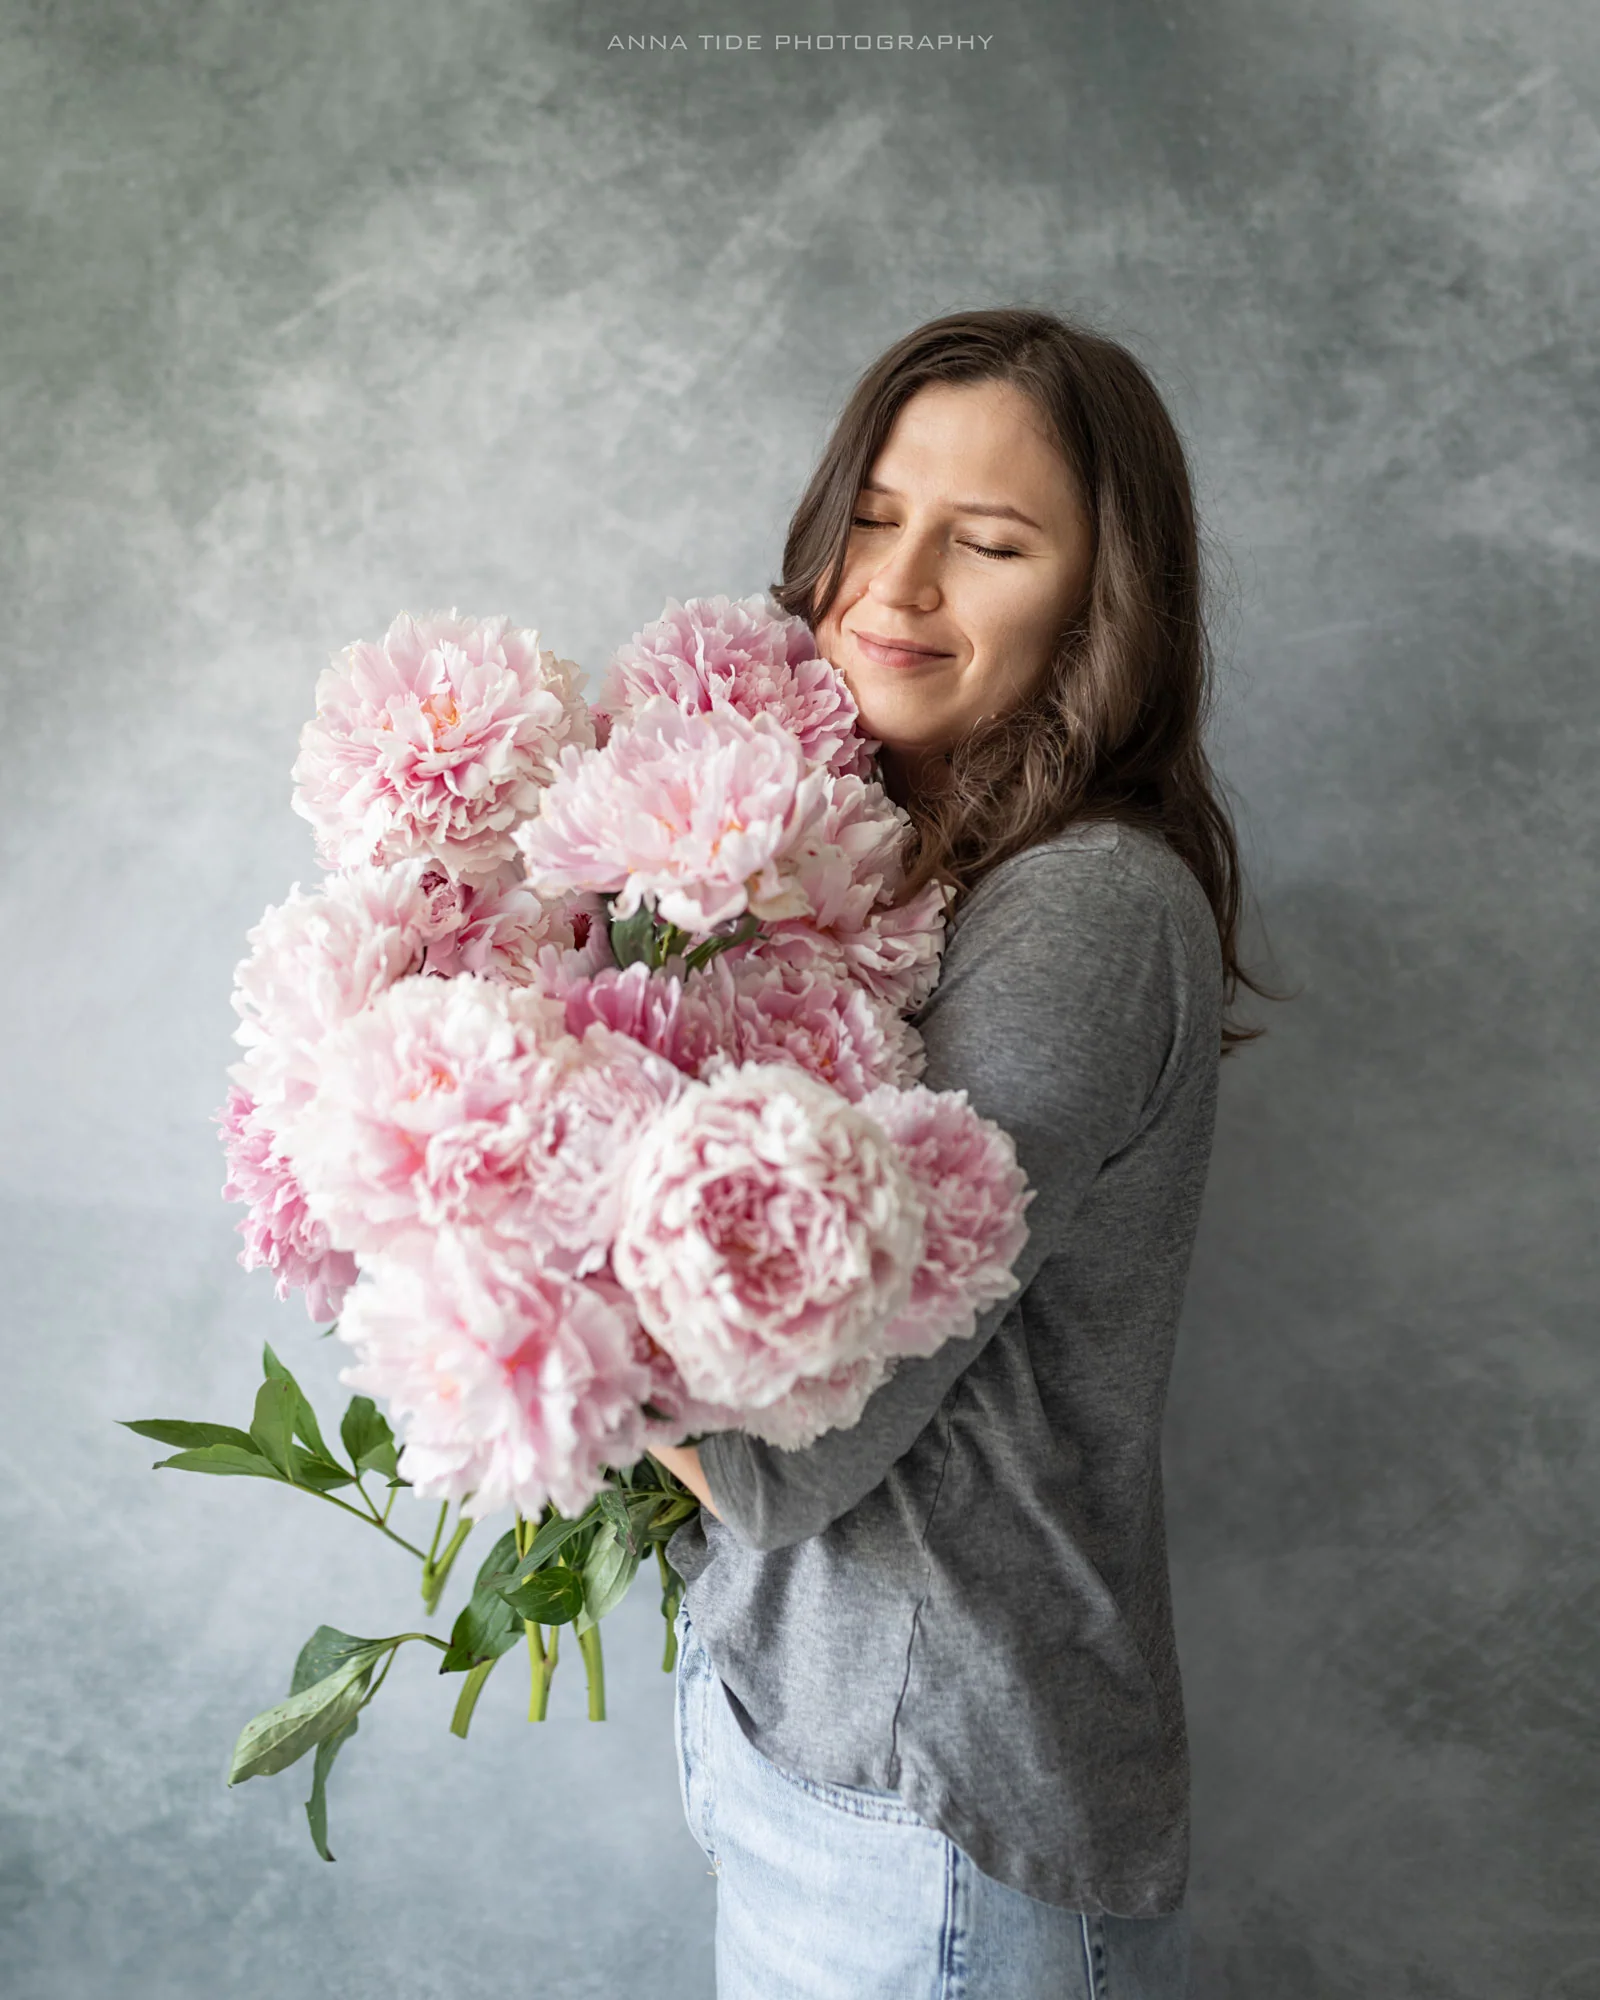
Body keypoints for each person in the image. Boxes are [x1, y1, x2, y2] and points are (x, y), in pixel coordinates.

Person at [650, 305, 1269, 2000]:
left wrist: (475, 1231)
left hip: (940, 1819)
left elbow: (794, 1454)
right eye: (875, 512)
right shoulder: (881, 862)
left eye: (987, 542)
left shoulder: (1080, 909)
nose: (897, 584)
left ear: (1099, 604)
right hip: (813, 1742)